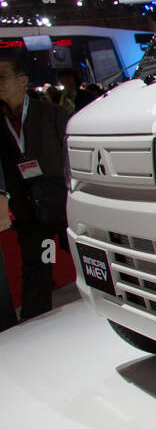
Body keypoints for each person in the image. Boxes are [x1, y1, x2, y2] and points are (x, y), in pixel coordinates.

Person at [0, 49, 71, 320]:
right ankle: (35, 324)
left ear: (22, 80)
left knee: (81, 257)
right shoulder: (1, 122)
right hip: (29, 210)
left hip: (60, 202)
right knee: (38, 266)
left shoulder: (51, 114)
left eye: (3, 76)